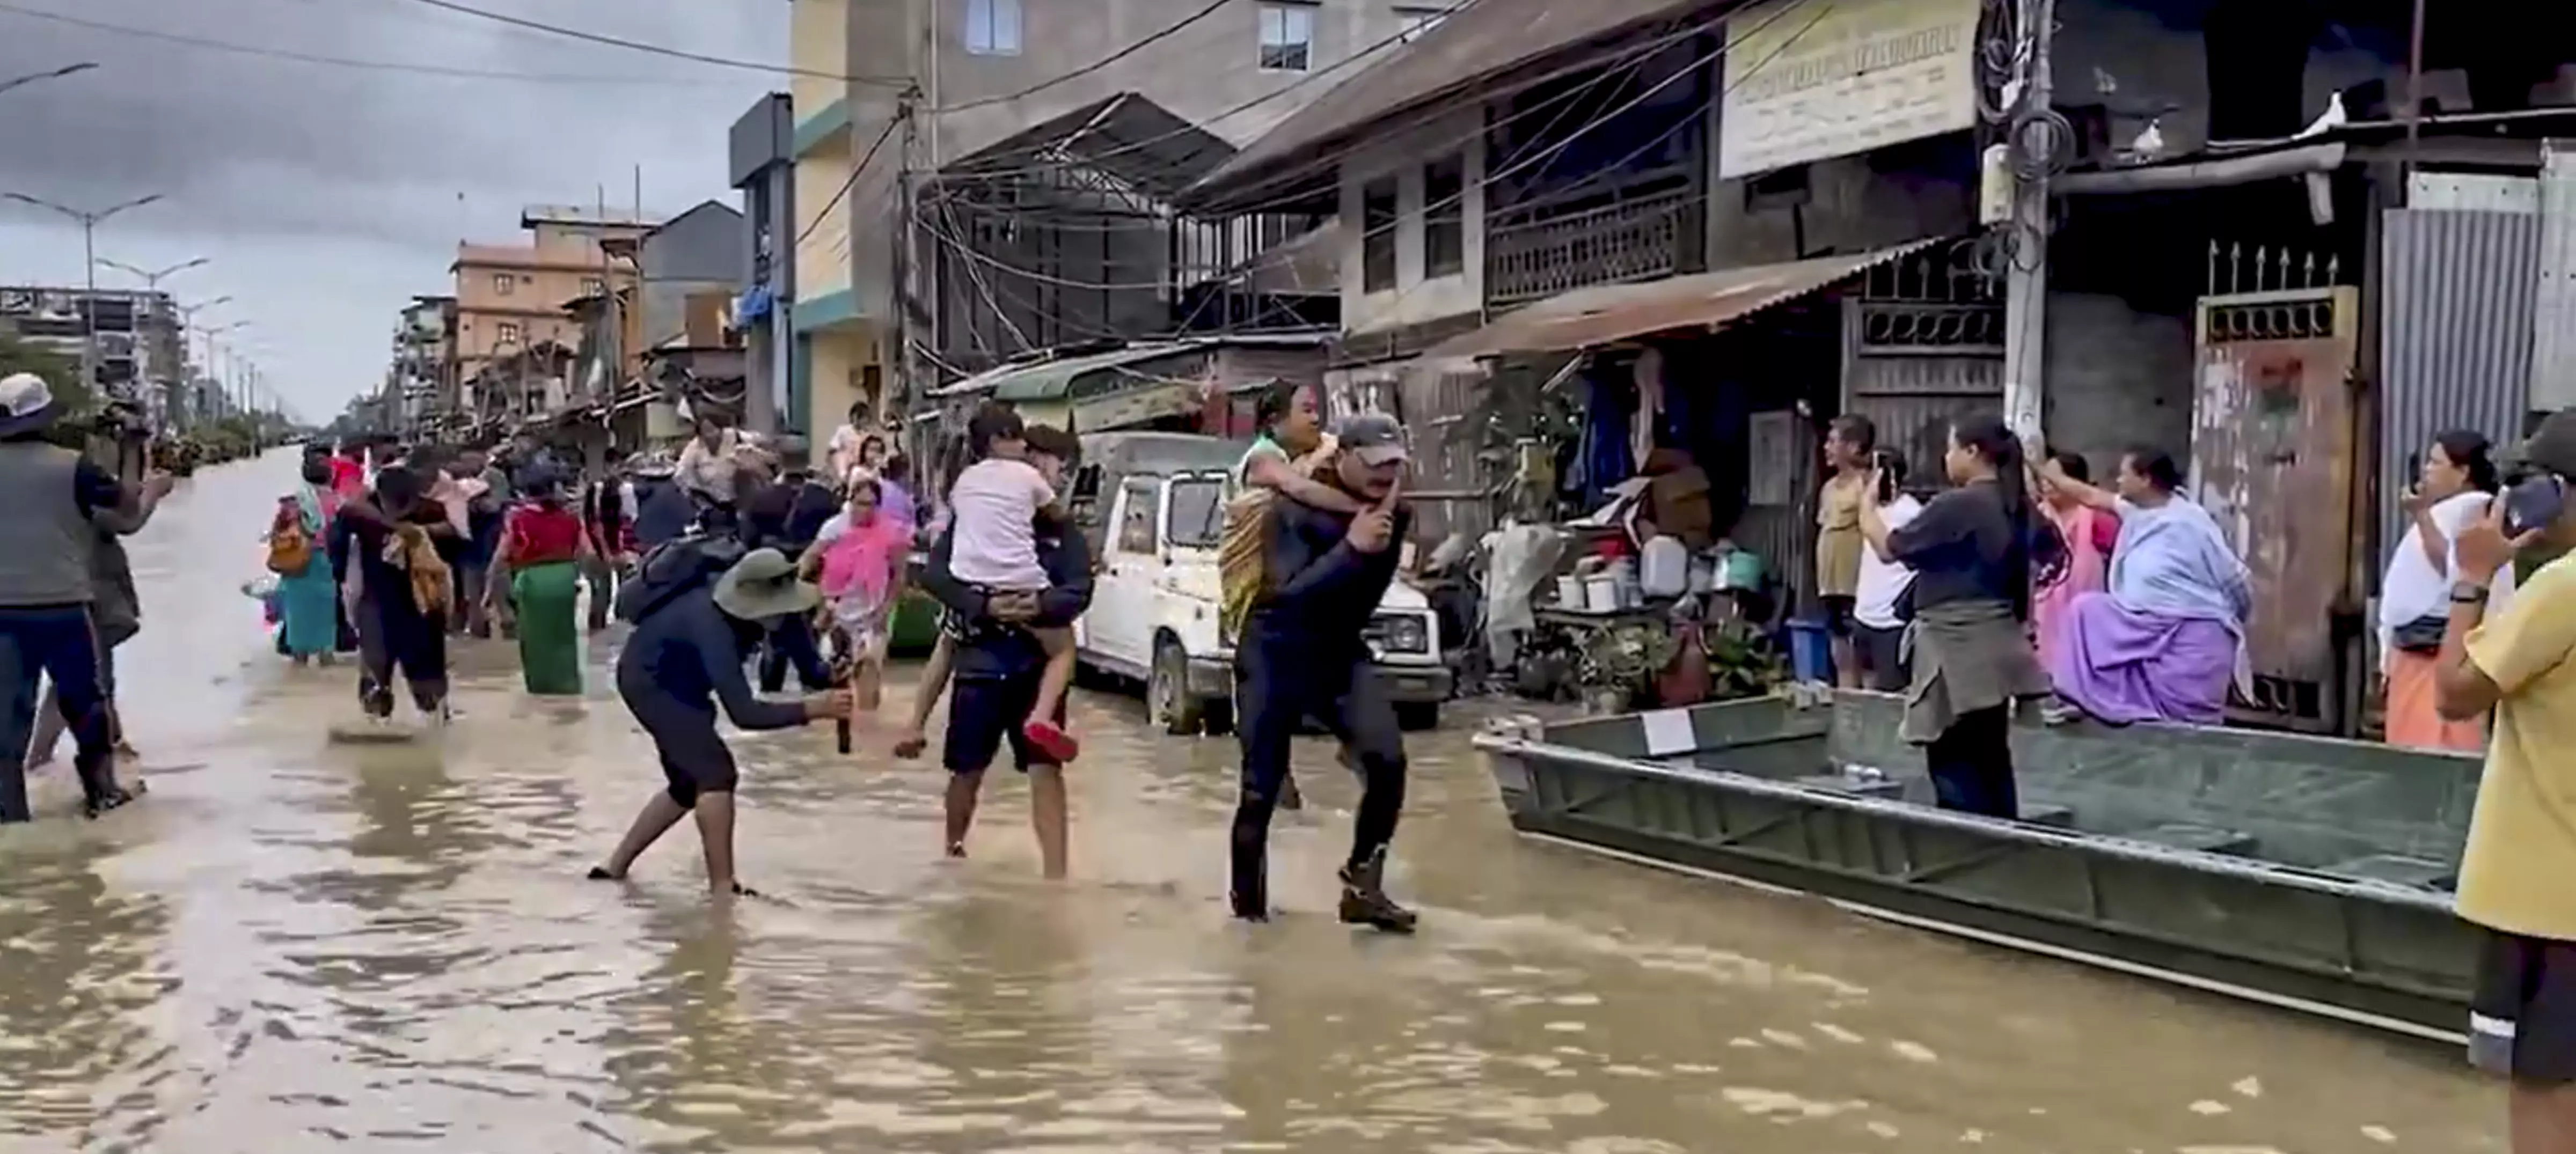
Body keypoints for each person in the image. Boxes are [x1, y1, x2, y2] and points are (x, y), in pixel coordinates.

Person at [2431, 409, 2576, 1148]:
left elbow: (2455, 691)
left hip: (2553, 896)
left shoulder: (2565, 591)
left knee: (2548, 1082)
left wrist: (2473, 576)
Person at [1229, 413, 1417, 931]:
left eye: (1393, 465)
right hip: (1273, 648)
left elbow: (1361, 594)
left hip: (1337, 652)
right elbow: (1289, 597)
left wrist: (1365, 540)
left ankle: (1363, 885)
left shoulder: (1393, 513)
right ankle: (1248, 918)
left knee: (1387, 760)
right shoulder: (1293, 511)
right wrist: (1352, 547)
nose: (1384, 475)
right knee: (1260, 789)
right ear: (1343, 458)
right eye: (1373, 465)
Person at [590, 545, 851, 897]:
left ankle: (615, 867)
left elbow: (812, 669)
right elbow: (744, 713)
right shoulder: (710, 622)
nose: (790, 614)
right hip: (649, 681)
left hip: (689, 685)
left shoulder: (786, 613)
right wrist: (810, 710)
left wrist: (833, 673)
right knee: (716, 773)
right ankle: (723, 889)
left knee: (687, 783)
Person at [913, 425, 1091, 876]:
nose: (1046, 469)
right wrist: (987, 606)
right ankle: (953, 850)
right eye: (1040, 459)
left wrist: (1040, 604)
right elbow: (936, 577)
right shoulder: (971, 521)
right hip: (981, 660)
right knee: (965, 769)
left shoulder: (1061, 530)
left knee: (1046, 770)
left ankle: (1057, 875)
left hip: (1037, 662)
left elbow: (1080, 588)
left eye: (1054, 463)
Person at [1857, 415, 2054, 819]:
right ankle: (2004, 846)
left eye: (1950, 448)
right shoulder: (2016, 503)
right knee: (1991, 755)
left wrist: (1867, 508)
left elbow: (1890, 548)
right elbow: (2048, 556)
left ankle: (1968, 851)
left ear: (1972, 452)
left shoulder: (1961, 503)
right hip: (1999, 639)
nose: (1946, 458)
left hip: (1956, 644)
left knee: (1954, 758)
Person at [896, 406, 1081, 763]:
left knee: (948, 638)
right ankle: (1041, 715)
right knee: (1064, 648)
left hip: (974, 589)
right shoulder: (1032, 487)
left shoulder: (967, 482)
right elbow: (1064, 531)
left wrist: (978, 602)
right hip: (1020, 592)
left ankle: (915, 724)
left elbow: (936, 572)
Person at [0, 372, 144, 820]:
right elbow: (125, 507)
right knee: (86, 703)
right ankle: (101, 794)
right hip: (64, 606)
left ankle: (10, 814)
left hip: (4, 612)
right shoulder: (75, 467)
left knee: (6, 717)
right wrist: (133, 450)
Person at [2038, 445, 2252, 726]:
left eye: (2124, 474)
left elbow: (2232, 578)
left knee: (2188, 722)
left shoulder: (2189, 522)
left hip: (2190, 631)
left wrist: (2236, 616)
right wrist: (2034, 464)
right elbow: (2087, 494)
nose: (2117, 481)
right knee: (2086, 610)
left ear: (2146, 479)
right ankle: (2082, 697)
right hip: (2139, 623)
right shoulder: (2136, 512)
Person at [24, 448, 172, 771]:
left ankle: (114, 747)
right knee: (83, 679)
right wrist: (154, 493)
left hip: (43, 589)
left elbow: (123, 497)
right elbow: (126, 518)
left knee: (96, 678)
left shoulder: (34, 478)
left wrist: (136, 454)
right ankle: (38, 760)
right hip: (84, 592)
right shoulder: (70, 477)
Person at [2382, 430, 2509, 752]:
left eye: (2436, 462)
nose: (2427, 470)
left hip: (2437, 650)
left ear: (2463, 472)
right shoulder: (2459, 510)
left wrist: (2422, 516)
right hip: (2422, 648)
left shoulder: (2476, 510)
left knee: (2434, 748)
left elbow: (2455, 567)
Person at [330, 465, 457, 725]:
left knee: (427, 676)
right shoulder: (359, 513)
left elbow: (451, 548)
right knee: (376, 672)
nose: (400, 508)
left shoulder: (430, 511)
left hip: (421, 603)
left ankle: (436, 724)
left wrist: (422, 533)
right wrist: (396, 528)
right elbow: (339, 550)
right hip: (376, 600)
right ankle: (378, 725)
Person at [801, 476, 910, 713]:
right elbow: (809, 559)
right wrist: (815, 602)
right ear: (850, 501)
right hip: (837, 610)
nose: (865, 510)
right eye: (860, 503)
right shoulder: (834, 528)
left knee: (869, 675)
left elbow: (899, 576)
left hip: (874, 611)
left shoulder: (892, 533)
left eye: (871, 504)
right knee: (837, 680)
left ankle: (870, 733)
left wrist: (886, 611)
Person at [488, 467, 590, 695]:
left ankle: (541, 687)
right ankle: (567, 685)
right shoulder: (572, 519)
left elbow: (503, 555)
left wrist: (490, 584)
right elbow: (586, 551)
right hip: (564, 578)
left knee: (534, 638)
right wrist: (575, 574)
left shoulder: (518, 519)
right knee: (564, 636)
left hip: (532, 579)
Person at [2032, 451, 2119, 667]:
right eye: (2044, 479)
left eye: (2053, 478)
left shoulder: (2098, 519)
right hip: (2043, 607)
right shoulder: (2037, 517)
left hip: (2085, 607)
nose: (2047, 485)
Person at [1848, 450, 1922, 693]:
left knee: (1890, 692)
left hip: (1891, 621)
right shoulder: (1872, 508)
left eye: (1868, 474)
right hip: (1865, 613)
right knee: (1866, 686)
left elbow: (1887, 552)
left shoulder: (1910, 513)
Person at [1816, 414, 1875, 688]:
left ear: (1853, 447)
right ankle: (1847, 704)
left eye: (1832, 441)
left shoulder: (1867, 485)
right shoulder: (1828, 488)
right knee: (1838, 649)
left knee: (1861, 652)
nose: (1827, 447)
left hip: (1857, 583)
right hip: (1830, 583)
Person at [272, 451, 343, 665]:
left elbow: (276, 533)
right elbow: (339, 533)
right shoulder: (336, 501)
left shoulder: (292, 502)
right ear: (330, 476)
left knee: (297, 613)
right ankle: (326, 657)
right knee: (325, 612)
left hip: (295, 562)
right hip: (322, 561)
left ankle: (299, 659)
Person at [580, 452, 631, 633]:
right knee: (602, 594)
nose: (617, 471)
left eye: (620, 466)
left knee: (617, 591)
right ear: (608, 467)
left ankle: (605, 636)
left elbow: (624, 520)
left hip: (614, 546)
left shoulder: (623, 489)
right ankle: (597, 631)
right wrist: (605, 551)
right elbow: (595, 523)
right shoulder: (598, 489)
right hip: (596, 548)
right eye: (615, 466)